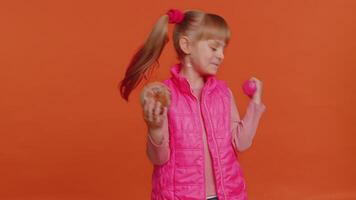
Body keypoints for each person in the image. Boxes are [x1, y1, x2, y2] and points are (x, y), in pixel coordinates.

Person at [119, 8, 266, 200]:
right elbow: (159, 158)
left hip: (226, 195)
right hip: (180, 196)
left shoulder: (223, 94)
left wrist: (255, 105)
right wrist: (155, 129)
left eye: (223, 49)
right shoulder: (166, 95)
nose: (221, 55)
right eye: (214, 48)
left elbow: (242, 143)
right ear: (186, 45)